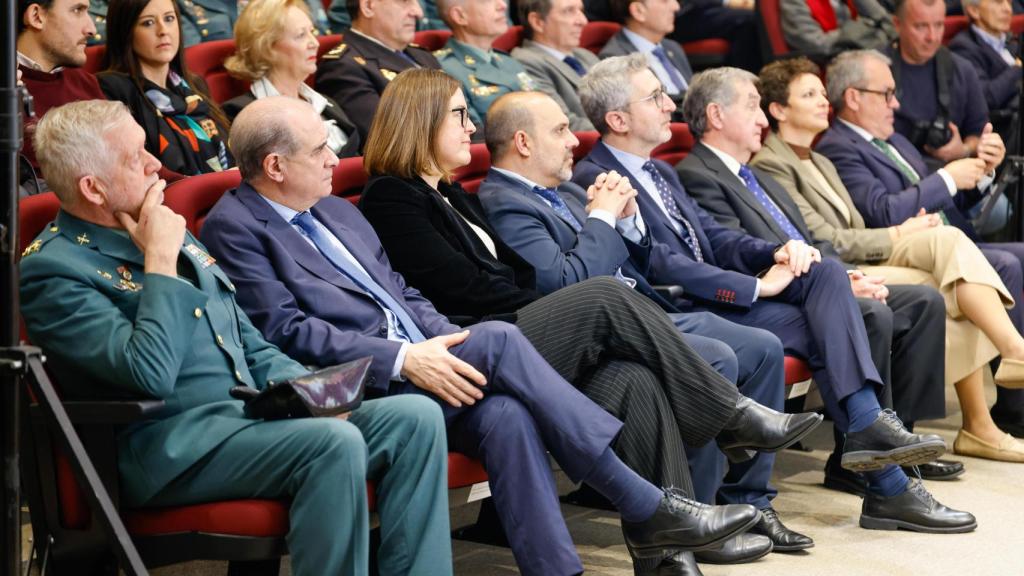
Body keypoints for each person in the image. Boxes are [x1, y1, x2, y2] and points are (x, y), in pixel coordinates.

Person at [198, 92, 807, 575]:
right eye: (318, 150)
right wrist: (407, 357)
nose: (335, 158)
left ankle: (629, 557)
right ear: (275, 166)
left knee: (546, 405)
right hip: (369, 384)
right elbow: (285, 330)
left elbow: (405, 294)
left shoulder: (336, 209)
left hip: (438, 354)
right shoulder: (238, 225)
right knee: (586, 303)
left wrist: (437, 342)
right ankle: (664, 491)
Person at [353, 70, 824, 573]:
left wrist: (545, 293)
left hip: (508, 327)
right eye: (460, 115)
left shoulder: (451, 193)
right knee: (599, 295)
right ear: (421, 121)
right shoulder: (393, 197)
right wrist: (556, 297)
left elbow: (512, 274)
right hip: (476, 344)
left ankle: (668, 554)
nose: (471, 128)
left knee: (633, 379)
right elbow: (467, 290)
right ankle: (730, 416)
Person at [20, 99, 453, 576]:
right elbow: (148, 375)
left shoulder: (158, 226)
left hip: (250, 417)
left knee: (414, 417)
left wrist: (313, 394)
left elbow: (248, 342)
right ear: (93, 188)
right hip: (172, 448)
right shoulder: (55, 269)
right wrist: (160, 263)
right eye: (135, 158)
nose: (155, 165)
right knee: (331, 443)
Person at [674, 66, 978, 532]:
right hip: (750, 296)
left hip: (805, 282)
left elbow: (810, 240)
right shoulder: (696, 172)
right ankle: (877, 456)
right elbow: (728, 250)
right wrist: (828, 275)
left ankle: (885, 449)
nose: (762, 118)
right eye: (752, 105)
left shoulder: (758, 178)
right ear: (715, 115)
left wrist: (842, 274)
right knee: (871, 313)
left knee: (913, 301)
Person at [754, 56, 1024, 463]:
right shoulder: (774, 163)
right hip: (831, 267)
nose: (823, 102)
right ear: (777, 110)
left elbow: (861, 222)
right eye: (809, 94)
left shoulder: (818, 158)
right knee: (949, 280)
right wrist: (900, 232)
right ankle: (989, 401)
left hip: (867, 248)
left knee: (950, 257)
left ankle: (994, 394)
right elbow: (827, 238)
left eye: (822, 93)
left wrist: (912, 224)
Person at [97, 0, 233, 176]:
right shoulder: (112, 88)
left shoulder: (194, 85)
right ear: (125, 31)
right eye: (148, 23)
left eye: (169, 19)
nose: (163, 31)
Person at [223, 0, 360, 157]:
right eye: (301, 35)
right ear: (266, 47)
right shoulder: (242, 115)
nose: (315, 43)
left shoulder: (325, 103)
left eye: (312, 32)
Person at [314, 0, 441, 145]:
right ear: (368, 6)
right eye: (405, 2)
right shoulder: (343, 67)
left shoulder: (422, 55)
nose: (418, 12)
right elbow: (392, 141)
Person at [889, 0, 995, 171]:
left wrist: (963, 150)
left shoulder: (962, 70)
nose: (932, 37)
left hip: (955, 179)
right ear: (897, 24)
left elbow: (980, 135)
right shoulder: (875, 70)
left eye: (939, 25)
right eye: (921, 26)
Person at [16, 0, 104, 178]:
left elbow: (135, 159)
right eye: (77, 10)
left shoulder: (86, 82)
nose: (92, 29)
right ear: (36, 16)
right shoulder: (7, 92)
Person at [434, 0, 536, 132]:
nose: (502, 5)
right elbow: (475, 137)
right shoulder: (442, 69)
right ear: (459, 16)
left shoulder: (508, 60)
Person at [511, 0, 598, 131]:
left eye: (581, 10)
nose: (583, 21)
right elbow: (563, 124)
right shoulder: (526, 61)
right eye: (569, 11)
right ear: (537, 22)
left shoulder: (586, 55)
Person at [599, 0, 693, 114]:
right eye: (665, 1)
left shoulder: (673, 47)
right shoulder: (616, 58)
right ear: (638, 11)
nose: (676, 6)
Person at [949, 0, 1022, 143]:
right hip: (1002, 131)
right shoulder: (964, 47)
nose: (1008, 9)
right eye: (998, 2)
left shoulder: (1012, 42)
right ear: (974, 11)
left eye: (1009, 2)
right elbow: (985, 97)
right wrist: (1018, 69)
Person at [779, 0, 894, 59]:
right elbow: (816, 45)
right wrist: (858, 31)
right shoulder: (794, 2)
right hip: (828, 65)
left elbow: (885, 20)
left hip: (861, 52)